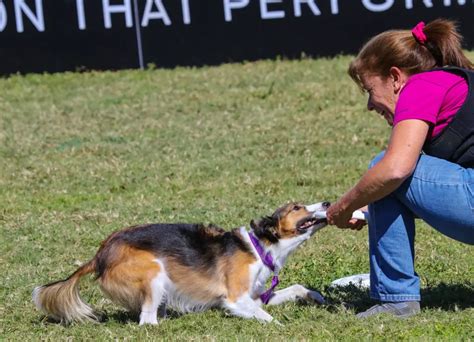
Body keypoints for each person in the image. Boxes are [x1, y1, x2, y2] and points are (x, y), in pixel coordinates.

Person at [325, 19, 474, 318]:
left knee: (382, 168)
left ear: (395, 77)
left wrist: (343, 206)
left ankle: (396, 299)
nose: (369, 105)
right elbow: (431, 182)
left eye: (369, 89)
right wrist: (366, 207)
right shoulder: (455, 82)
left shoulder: (420, 85)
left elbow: (395, 170)